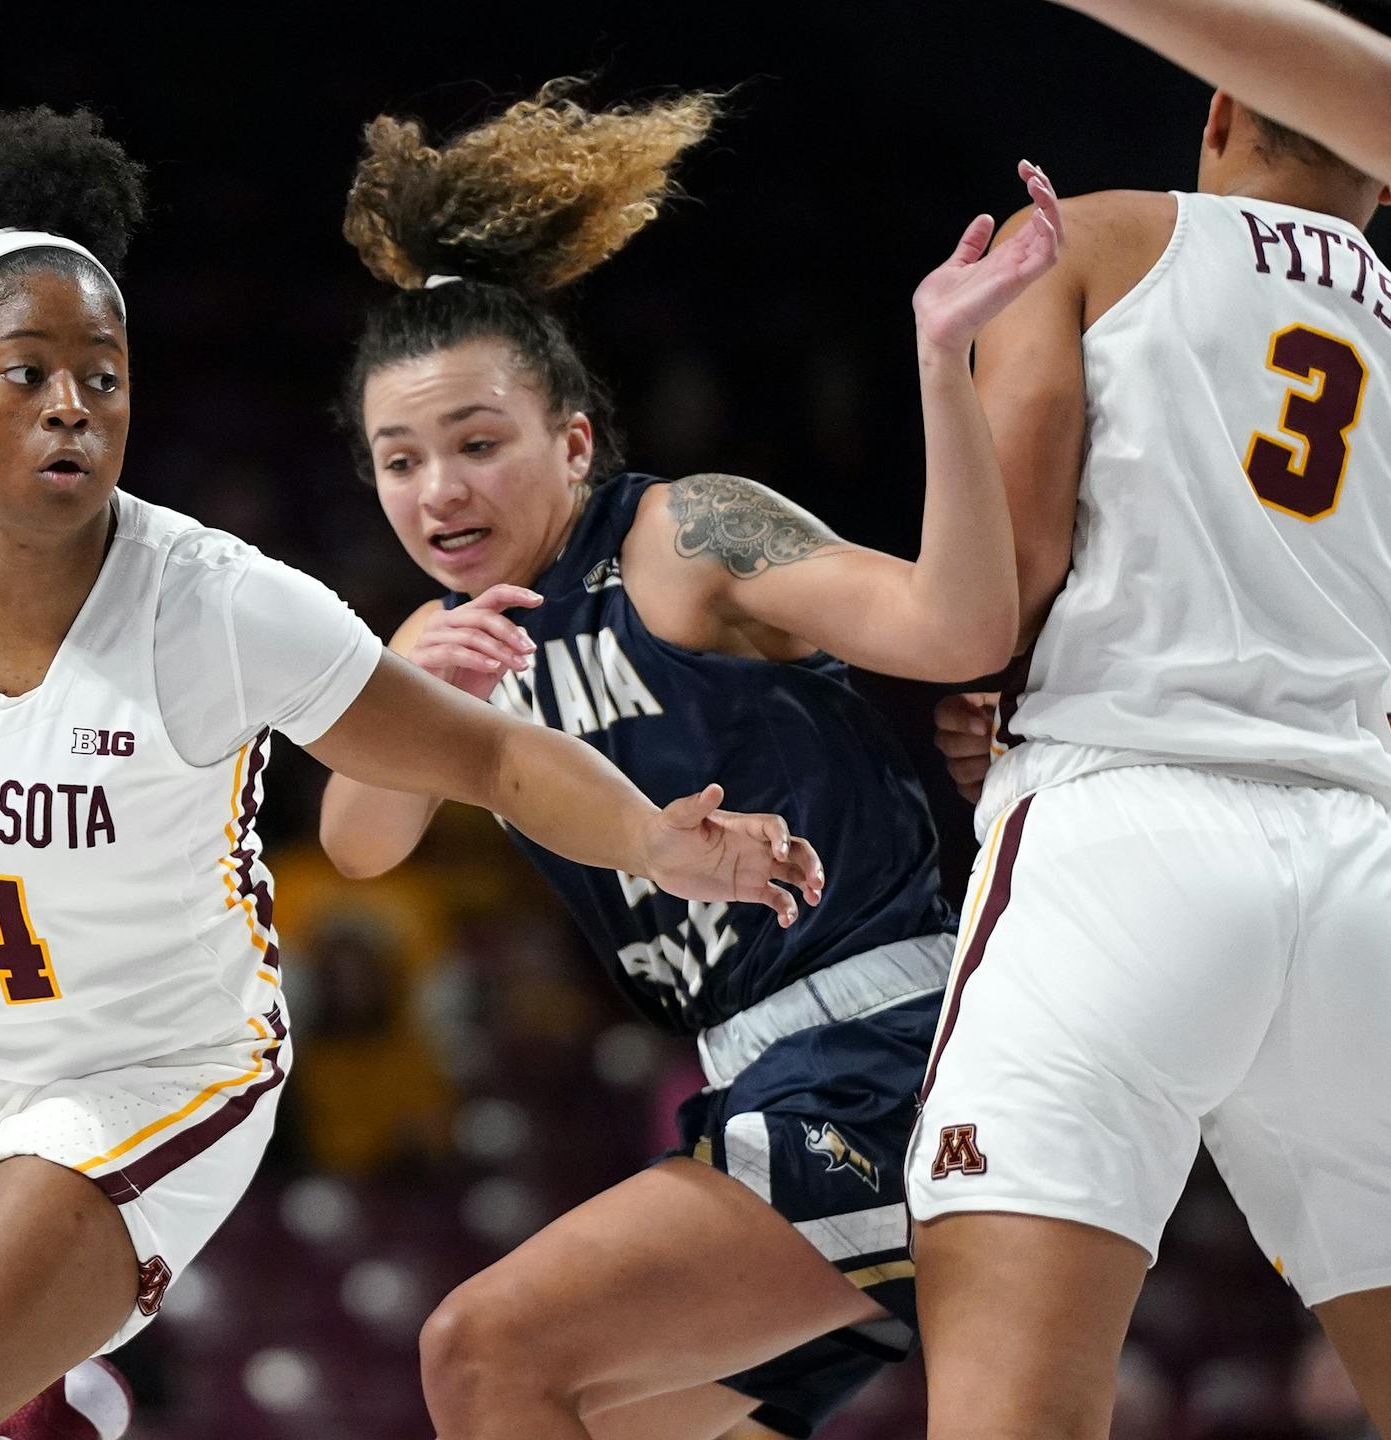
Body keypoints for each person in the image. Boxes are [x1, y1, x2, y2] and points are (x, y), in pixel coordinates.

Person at [0, 107, 821, 1440]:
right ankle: (60, 1412)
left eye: (102, 376)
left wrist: (656, 842)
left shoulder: (214, 608)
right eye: (26, 373)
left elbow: (492, 750)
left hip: (149, 1066)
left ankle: (47, 1396)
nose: (71, 408)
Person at [317, 84, 1059, 1439]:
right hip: (759, 1083)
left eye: (478, 444)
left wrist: (941, 361)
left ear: (575, 440)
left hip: (897, 1047)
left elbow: (957, 624)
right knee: (576, 1411)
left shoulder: (684, 539)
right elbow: (361, 843)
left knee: (484, 1353)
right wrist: (405, 695)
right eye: (401, 460)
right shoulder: (447, 638)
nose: (441, 491)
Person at [903, 2, 1391, 1436]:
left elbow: (1005, 577)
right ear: (1384, 175)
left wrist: (982, 706)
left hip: (1120, 825)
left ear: (1215, 108)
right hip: (1370, 865)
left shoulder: (1105, 239)